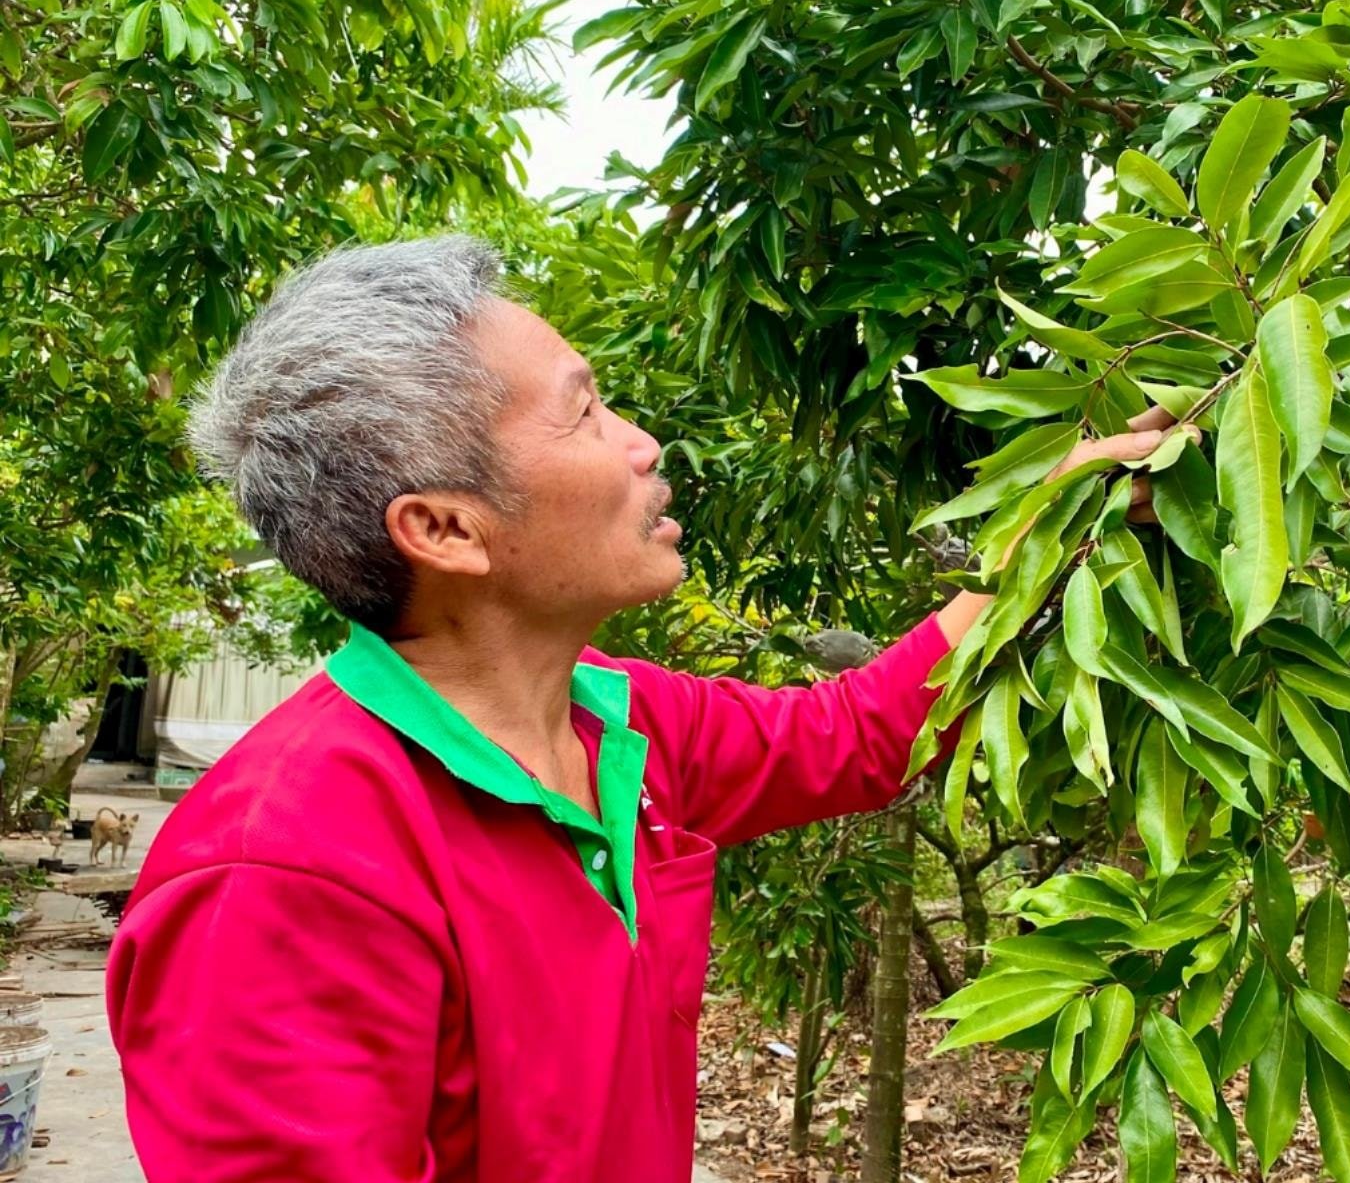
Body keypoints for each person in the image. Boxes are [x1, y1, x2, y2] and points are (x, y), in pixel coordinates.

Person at [105, 237, 1173, 1182]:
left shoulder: (617, 724)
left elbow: (857, 734)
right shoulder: (283, 872)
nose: (641, 440)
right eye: (582, 410)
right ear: (445, 527)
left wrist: (1053, 527)